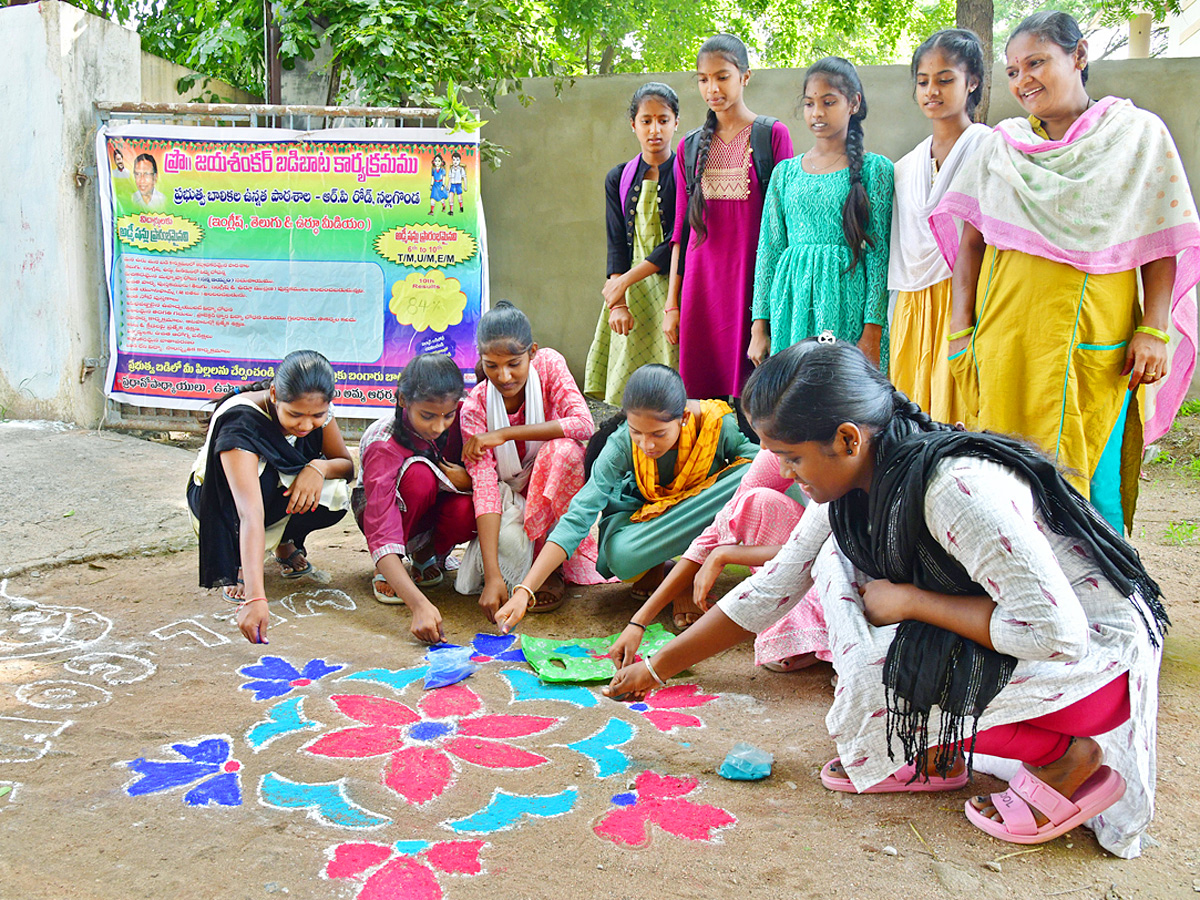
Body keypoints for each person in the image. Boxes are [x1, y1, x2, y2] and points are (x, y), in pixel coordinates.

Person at [606, 336, 1168, 858]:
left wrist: (911, 603)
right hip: (1029, 636)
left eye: (793, 457)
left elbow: (1057, 633)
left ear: (848, 438)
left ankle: (1065, 759)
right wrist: (657, 668)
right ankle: (933, 748)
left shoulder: (952, 489)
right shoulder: (854, 479)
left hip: (1094, 666)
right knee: (837, 573)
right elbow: (774, 587)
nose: (781, 471)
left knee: (884, 657)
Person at [931, 11, 1200, 534]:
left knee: (1090, 474)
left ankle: (1106, 599)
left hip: (1096, 338)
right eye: (1012, 71)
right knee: (1006, 475)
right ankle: (1021, 592)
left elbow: (1162, 237)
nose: (1023, 80)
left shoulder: (1136, 135)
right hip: (1005, 339)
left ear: (1078, 57)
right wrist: (961, 330)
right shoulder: (999, 147)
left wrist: (1155, 329)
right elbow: (970, 244)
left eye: (1036, 62)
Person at [494, 364, 759, 634]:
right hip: (643, 519)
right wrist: (524, 591)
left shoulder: (714, 424)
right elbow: (579, 516)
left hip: (699, 510)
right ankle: (663, 564)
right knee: (622, 558)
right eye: (637, 432)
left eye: (658, 434)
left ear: (684, 418)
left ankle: (687, 575)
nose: (647, 445)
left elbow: (759, 462)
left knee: (762, 469)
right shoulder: (620, 444)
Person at [607, 444, 829, 668]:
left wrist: (726, 554)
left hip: (851, 568)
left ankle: (837, 642)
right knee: (755, 501)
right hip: (813, 554)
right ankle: (802, 629)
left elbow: (827, 548)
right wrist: (639, 622)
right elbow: (720, 528)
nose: (761, 445)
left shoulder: (843, 461)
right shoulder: (776, 447)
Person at [188, 350, 355, 645]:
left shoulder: (317, 411)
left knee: (333, 493)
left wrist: (317, 468)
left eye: (316, 416)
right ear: (275, 394)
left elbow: (345, 466)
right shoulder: (241, 423)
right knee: (266, 481)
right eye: (295, 415)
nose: (305, 426)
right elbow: (249, 513)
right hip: (221, 507)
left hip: (270, 495)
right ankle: (240, 562)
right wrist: (256, 597)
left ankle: (283, 543)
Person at [666, 34, 794, 404]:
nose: (712, 88)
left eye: (722, 76)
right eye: (703, 79)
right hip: (701, 293)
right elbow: (680, 231)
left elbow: (780, 226)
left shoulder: (772, 135)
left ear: (745, 77)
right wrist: (672, 304)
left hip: (752, 288)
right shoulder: (688, 147)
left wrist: (769, 310)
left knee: (758, 402)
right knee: (701, 405)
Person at [458, 300, 604, 619]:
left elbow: (583, 423)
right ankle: (521, 567)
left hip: (554, 496)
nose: (504, 375)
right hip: (511, 504)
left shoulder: (549, 365)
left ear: (533, 352)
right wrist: (494, 576)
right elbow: (485, 489)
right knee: (501, 548)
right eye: (492, 366)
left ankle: (550, 566)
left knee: (562, 451)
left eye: (514, 363)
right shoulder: (475, 408)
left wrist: (507, 434)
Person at [750, 57, 893, 370]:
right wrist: (759, 324)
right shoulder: (784, 173)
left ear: (853, 103)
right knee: (795, 398)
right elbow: (769, 250)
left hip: (845, 304)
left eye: (829, 102)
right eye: (809, 103)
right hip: (792, 305)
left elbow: (879, 254)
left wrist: (872, 329)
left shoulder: (876, 170)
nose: (817, 113)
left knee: (843, 395)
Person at [887, 30, 990, 422]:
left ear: (972, 82)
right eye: (923, 81)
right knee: (915, 414)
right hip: (913, 306)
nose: (933, 90)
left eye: (945, 79)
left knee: (965, 413)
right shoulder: (906, 166)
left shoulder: (989, 149)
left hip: (971, 300)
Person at [352, 354, 475, 643]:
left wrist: (468, 480)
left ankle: (426, 554)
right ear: (402, 401)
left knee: (468, 507)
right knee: (418, 478)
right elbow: (380, 523)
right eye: (427, 416)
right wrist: (418, 605)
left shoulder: (467, 419)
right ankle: (390, 568)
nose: (438, 427)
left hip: (438, 505)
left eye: (448, 415)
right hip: (386, 512)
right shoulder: (383, 441)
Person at [585, 82, 681, 406]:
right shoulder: (619, 177)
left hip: (673, 290)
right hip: (632, 295)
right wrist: (618, 303)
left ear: (675, 123)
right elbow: (616, 242)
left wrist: (623, 282)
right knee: (627, 392)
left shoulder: (685, 175)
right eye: (646, 120)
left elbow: (676, 244)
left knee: (672, 385)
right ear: (633, 125)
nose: (655, 129)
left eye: (663, 120)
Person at [448, 150, 467, 215]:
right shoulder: (451, 169)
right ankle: (451, 211)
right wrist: (448, 186)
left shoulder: (461, 169)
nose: (455, 162)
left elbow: (464, 177)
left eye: (457, 160)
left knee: (459, 196)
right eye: (454, 160)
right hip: (452, 184)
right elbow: (450, 178)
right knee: (451, 196)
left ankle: (461, 207)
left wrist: (465, 186)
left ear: (459, 161)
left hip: (458, 184)